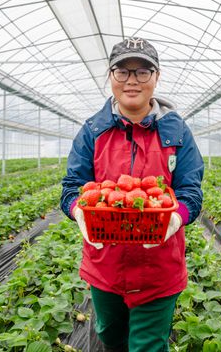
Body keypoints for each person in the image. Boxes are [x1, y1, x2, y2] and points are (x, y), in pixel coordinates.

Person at [60, 37, 204, 352]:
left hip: (159, 265)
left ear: (156, 76)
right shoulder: (92, 131)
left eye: (142, 72)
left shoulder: (177, 132)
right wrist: (78, 210)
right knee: (111, 336)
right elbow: (72, 186)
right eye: (122, 71)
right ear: (110, 77)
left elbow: (190, 192)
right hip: (105, 263)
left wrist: (175, 218)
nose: (132, 81)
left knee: (148, 346)